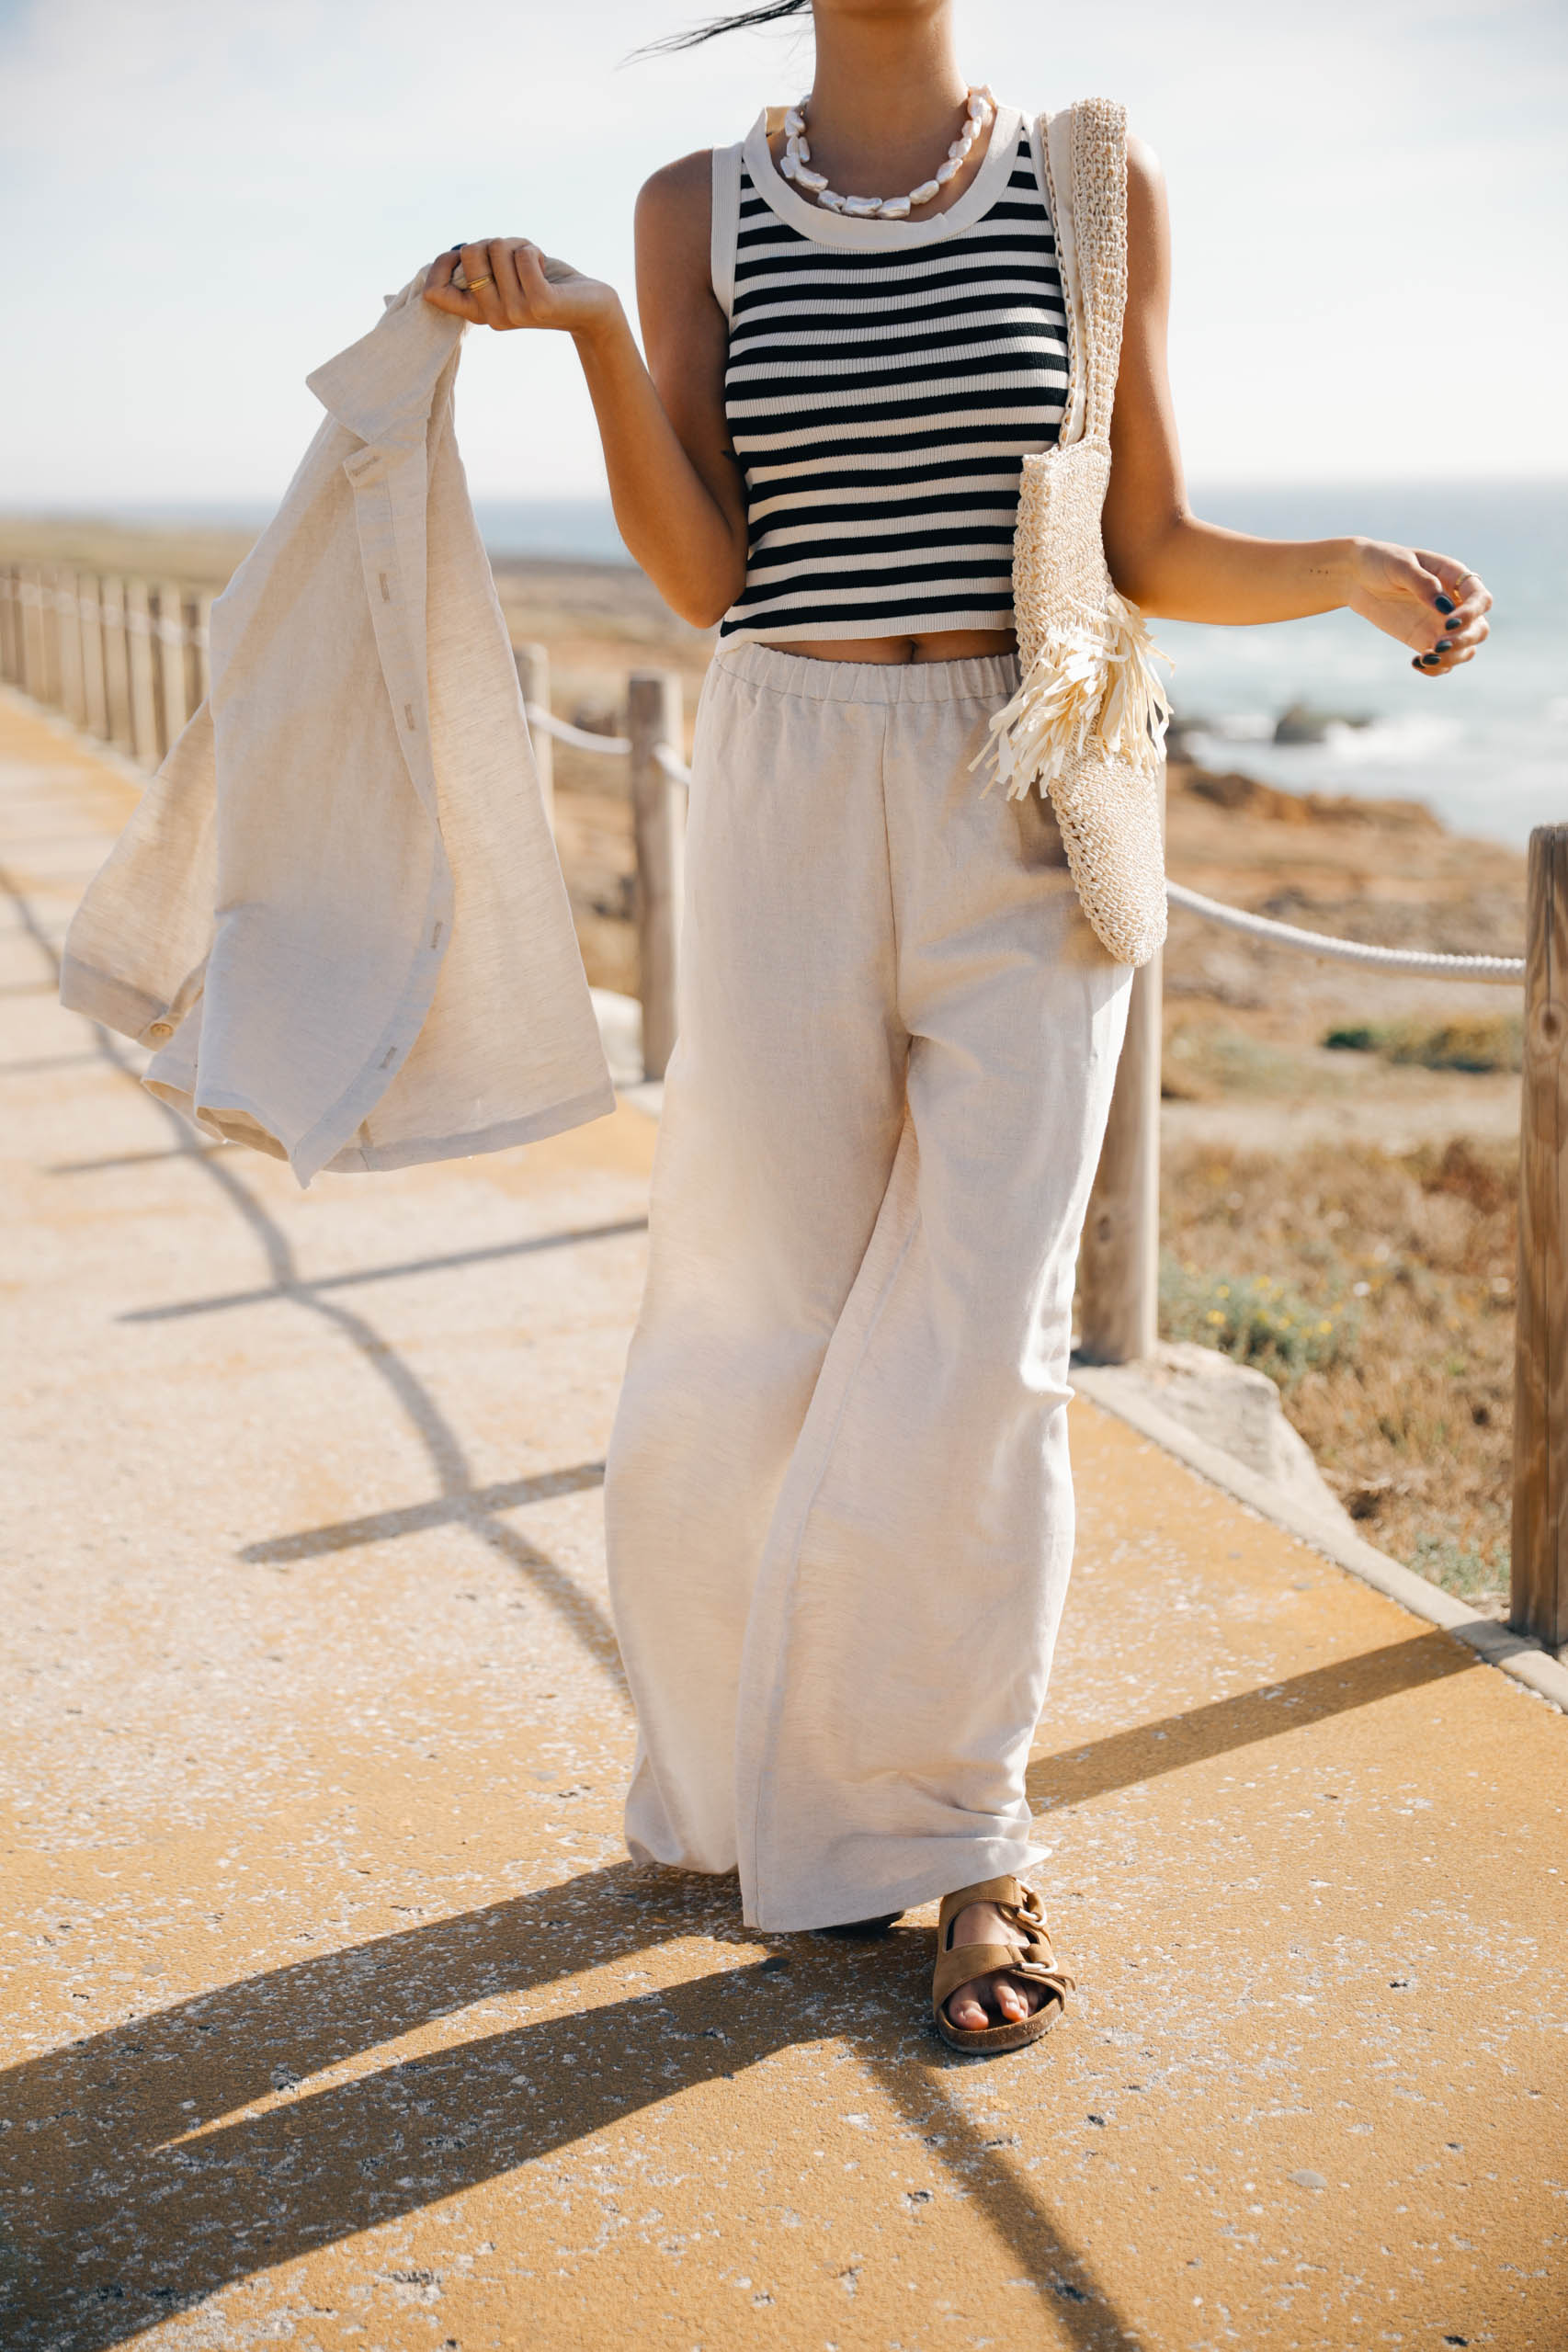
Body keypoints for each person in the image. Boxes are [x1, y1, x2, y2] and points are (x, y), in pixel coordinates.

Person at [423, 0, 1490, 2054]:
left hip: (1023, 773)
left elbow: (1143, 538)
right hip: (785, 780)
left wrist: (1350, 568)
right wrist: (585, 340)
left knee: (979, 1345)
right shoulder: (694, 209)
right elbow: (706, 572)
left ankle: (961, 1831)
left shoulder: (1088, 179)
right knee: (759, 1323)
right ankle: (768, 1799)